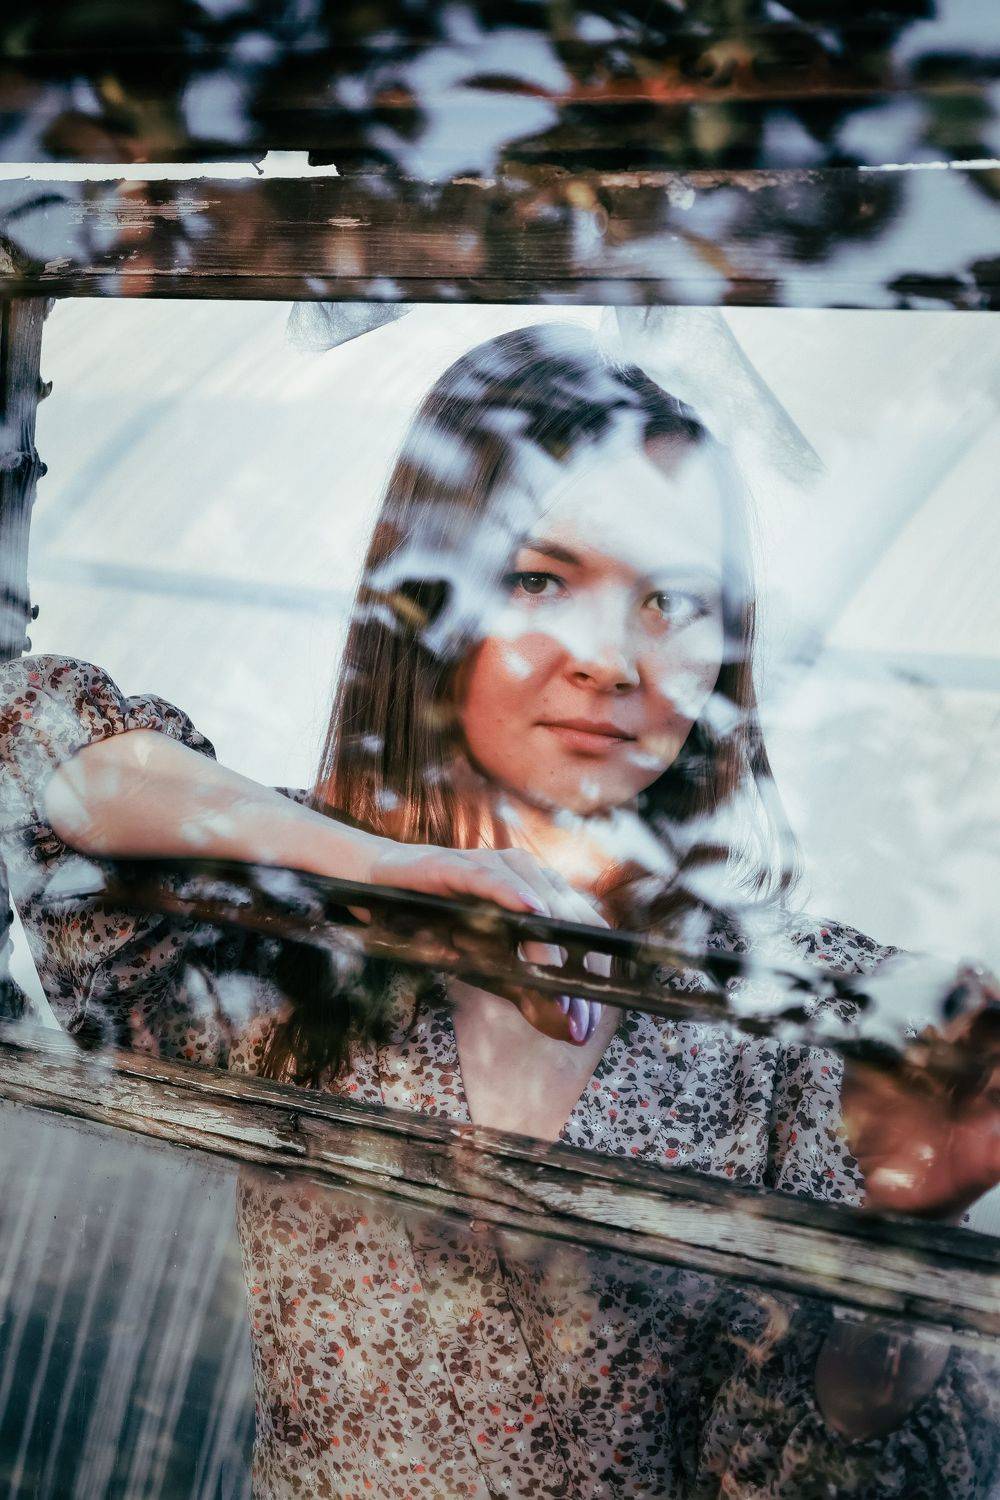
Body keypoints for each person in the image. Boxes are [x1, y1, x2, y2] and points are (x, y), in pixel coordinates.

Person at [1, 324, 997, 1497]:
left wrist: (896, 1266)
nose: (610, 660)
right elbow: (30, 738)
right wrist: (377, 868)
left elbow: (784, 1475)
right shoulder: (292, 932)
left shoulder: (805, 1015)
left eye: (673, 599)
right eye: (538, 579)